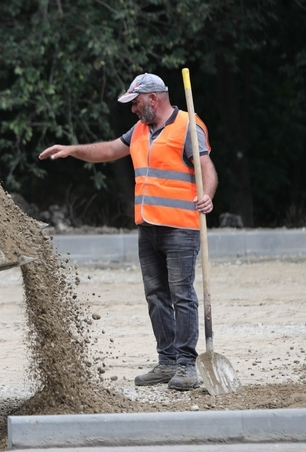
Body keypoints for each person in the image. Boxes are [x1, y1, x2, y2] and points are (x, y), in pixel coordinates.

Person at [39, 73, 218, 391]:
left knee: (183, 296)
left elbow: (206, 168)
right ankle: (167, 363)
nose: (133, 109)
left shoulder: (188, 126)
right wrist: (72, 150)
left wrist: (208, 195)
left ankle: (187, 366)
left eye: (135, 102)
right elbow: (108, 150)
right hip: (148, 226)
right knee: (156, 297)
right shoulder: (140, 130)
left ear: (153, 99)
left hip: (180, 227)